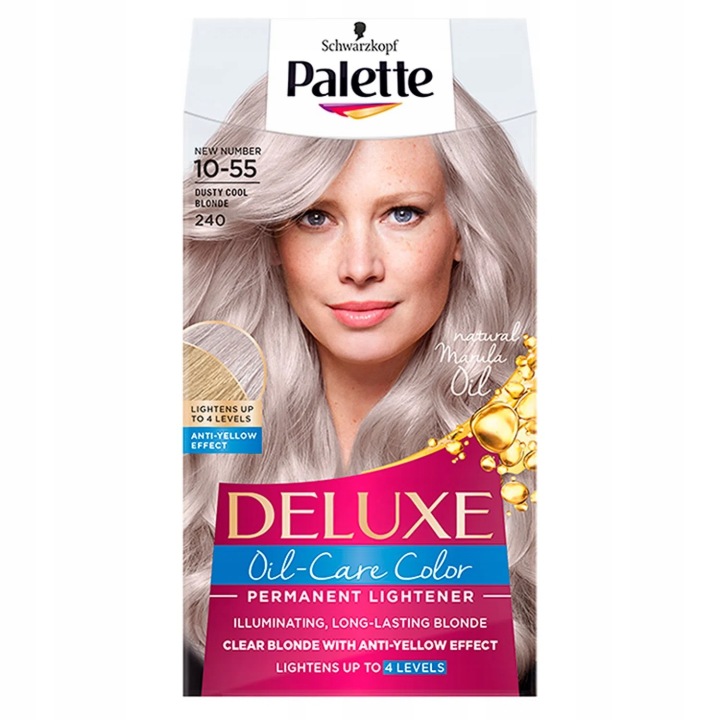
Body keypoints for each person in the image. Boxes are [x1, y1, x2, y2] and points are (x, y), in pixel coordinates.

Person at [183, 77, 536, 693]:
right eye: (315, 217)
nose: (359, 267)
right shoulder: (188, 465)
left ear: (463, 233)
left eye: (403, 214)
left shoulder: (539, 455)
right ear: (271, 238)